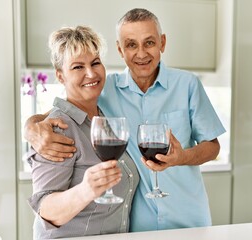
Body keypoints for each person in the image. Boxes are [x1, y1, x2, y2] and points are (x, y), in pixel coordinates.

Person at [24, 8, 226, 232]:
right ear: (120, 50)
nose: (141, 53)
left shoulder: (188, 84)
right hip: (138, 228)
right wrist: (31, 126)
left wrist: (182, 157)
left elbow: (213, 147)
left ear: (162, 43)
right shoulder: (105, 88)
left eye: (149, 43)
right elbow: (70, 108)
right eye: (131, 44)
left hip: (189, 218)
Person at [27, 25, 139, 239]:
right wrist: (86, 190)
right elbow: (45, 208)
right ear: (60, 76)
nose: (91, 73)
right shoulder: (57, 130)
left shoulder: (104, 118)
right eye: (78, 67)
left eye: (95, 63)